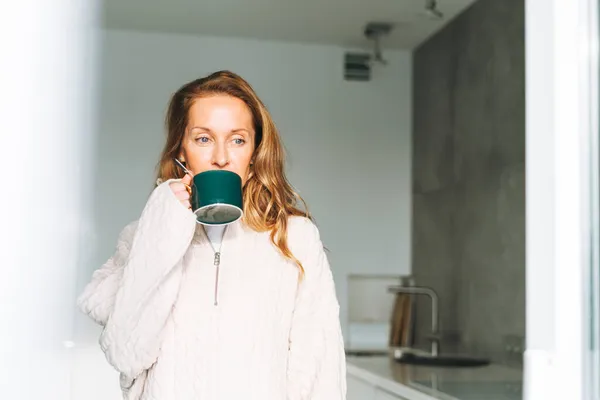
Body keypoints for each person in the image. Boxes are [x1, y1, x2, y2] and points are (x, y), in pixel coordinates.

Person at [77, 70, 347, 400]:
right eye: (203, 139)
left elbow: (320, 370)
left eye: (237, 140)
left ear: (253, 157)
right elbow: (126, 355)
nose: (221, 157)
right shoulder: (142, 237)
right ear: (181, 152)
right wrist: (162, 230)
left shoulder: (295, 238)